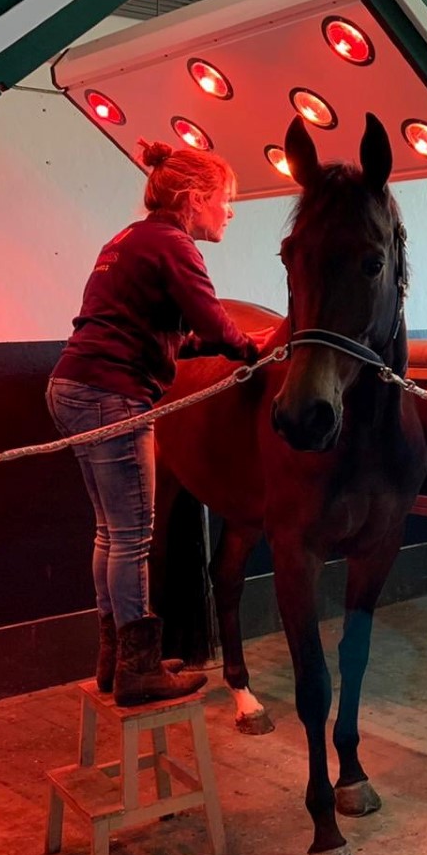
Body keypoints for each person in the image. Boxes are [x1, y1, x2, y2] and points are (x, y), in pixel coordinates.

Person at [47, 139, 259, 707]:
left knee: (110, 532)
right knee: (134, 537)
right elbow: (214, 324)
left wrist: (196, 348)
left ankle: (116, 658)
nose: (230, 211)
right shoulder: (173, 244)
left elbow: (154, 330)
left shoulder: (129, 238)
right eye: (225, 200)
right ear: (193, 200)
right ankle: (140, 670)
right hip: (110, 396)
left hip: (74, 386)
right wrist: (254, 350)